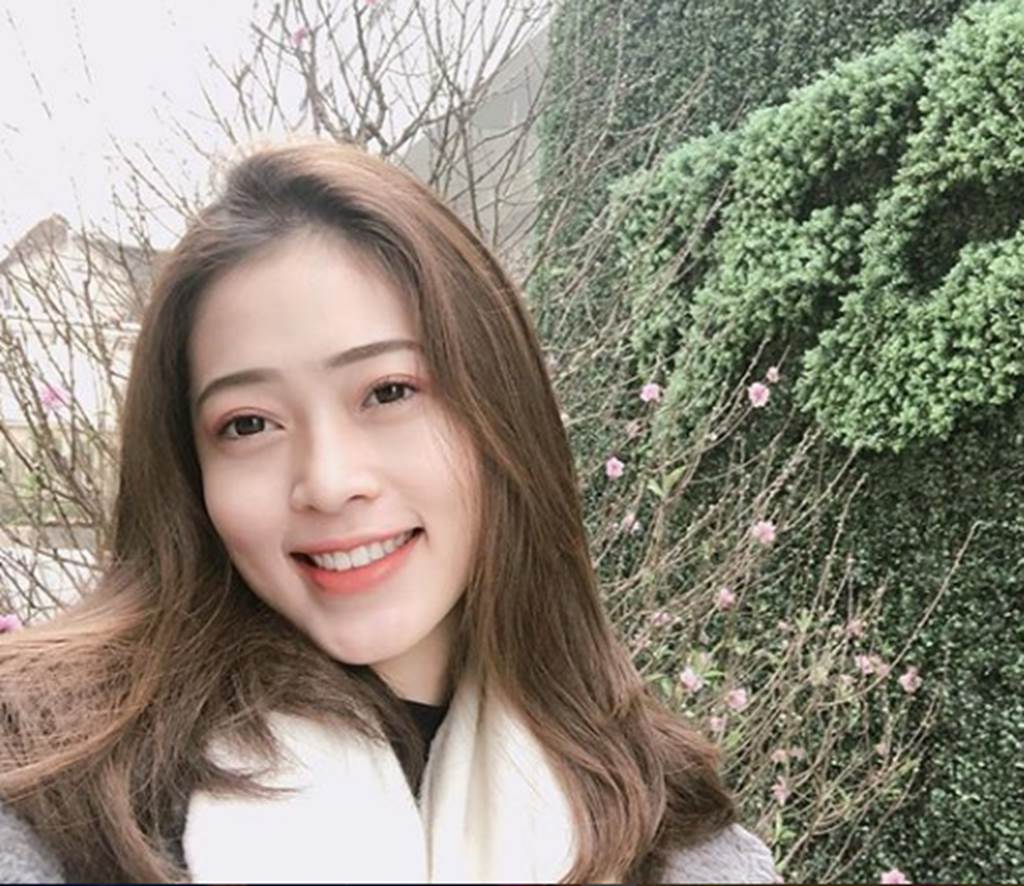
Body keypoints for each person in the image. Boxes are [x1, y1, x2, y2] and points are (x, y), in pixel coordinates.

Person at [0, 140, 778, 884]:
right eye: (249, 423)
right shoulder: (59, 786)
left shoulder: (672, 834)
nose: (328, 482)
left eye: (389, 391)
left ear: (500, 412)